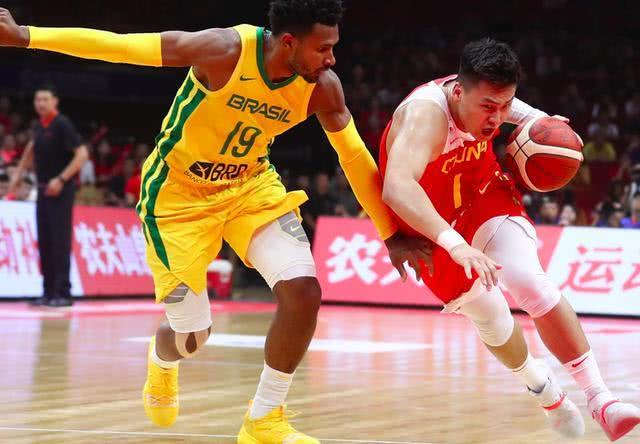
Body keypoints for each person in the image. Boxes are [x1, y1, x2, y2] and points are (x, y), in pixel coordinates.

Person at [0, 2, 430, 442]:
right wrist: (27, 36)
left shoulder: (322, 88)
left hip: (249, 188)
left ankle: (264, 420)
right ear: (288, 42)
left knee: (304, 291)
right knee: (191, 335)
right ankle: (162, 359)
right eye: (323, 48)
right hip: (178, 197)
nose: (332, 59)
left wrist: (389, 232)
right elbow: (122, 47)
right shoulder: (224, 51)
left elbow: (354, 158)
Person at [379, 38, 640, 441]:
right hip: (429, 224)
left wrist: (548, 127)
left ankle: (601, 400)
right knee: (492, 317)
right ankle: (545, 390)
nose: (497, 118)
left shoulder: (492, 100)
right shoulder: (424, 116)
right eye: (488, 107)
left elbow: (525, 115)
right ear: (458, 92)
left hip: (483, 195)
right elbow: (397, 188)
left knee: (529, 280)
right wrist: (454, 243)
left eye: (505, 106)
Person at [10, 85, 88, 307]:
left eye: (45, 99)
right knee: (44, 241)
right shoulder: (39, 126)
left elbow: (82, 154)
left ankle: (63, 293)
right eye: (37, 100)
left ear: (55, 101)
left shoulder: (62, 124)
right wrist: (18, 174)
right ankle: (48, 291)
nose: (41, 103)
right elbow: (30, 148)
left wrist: (61, 179)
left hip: (61, 190)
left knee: (59, 242)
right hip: (43, 190)